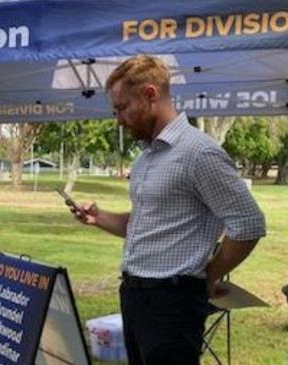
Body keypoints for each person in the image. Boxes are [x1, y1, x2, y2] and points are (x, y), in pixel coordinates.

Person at [70, 55, 266, 364]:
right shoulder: (147, 156)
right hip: (135, 295)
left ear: (150, 95)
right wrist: (99, 217)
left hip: (174, 302)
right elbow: (147, 222)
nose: (118, 120)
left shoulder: (199, 152)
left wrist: (209, 275)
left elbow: (249, 223)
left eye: (122, 108)